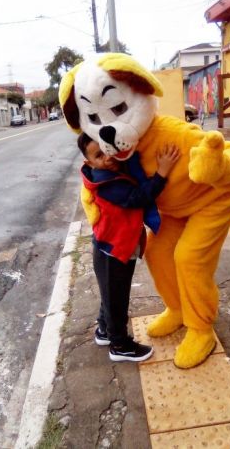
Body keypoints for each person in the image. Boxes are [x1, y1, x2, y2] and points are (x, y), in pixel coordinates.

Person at [78, 132, 180, 362]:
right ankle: (120, 345)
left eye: (107, 149)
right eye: (98, 155)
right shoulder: (106, 183)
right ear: (89, 162)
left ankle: (104, 331)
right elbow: (137, 197)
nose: (107, 157)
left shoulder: (111, 173)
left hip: (117, 245)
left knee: (109, 294)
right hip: (113, 250)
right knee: (116, 299)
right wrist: (161, 173)